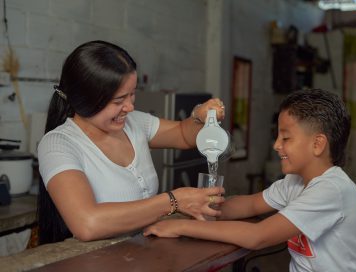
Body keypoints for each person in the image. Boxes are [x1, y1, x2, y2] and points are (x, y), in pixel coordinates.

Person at [144, 89, 356, 272]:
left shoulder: (332, 189)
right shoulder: (294, 182)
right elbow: (249, 205)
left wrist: (182, 226)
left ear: (318, 144)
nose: (277, 145)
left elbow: (258, 236)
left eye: (286, 138)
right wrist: (200, 205)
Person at [37, 40, 226, 245]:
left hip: (139, 253)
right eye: (119, 100)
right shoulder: (58, 144)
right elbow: (87, 223)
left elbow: (182, 134)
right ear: (85, 100)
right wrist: (174, 201)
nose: (129, 106)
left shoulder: (133, 122)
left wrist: (199, 116)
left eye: (132, 94)